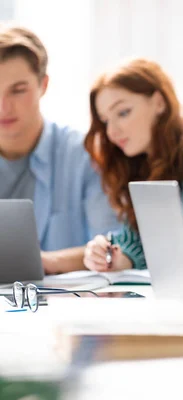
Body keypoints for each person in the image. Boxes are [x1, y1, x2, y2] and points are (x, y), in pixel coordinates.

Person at [82, 58, 183, 272]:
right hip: (179, 303)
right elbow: (139, 251)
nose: (111, 132)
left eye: (123, 113)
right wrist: (109, 258)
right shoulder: (139, 169)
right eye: (105, 121)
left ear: (159, 102)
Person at [0, 24, 119, 274]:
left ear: (43, 85)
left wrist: (43, 262)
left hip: (68, 305)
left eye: (18, 91)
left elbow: (114, 245)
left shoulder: (85, 154)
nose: (4, 107)